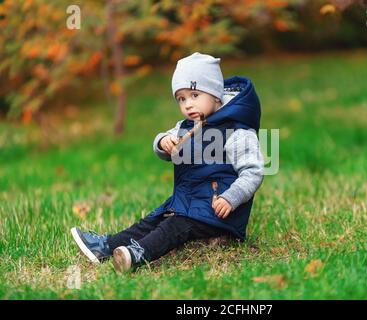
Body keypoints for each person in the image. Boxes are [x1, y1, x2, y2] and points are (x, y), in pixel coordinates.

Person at [71, 52, 264, 272]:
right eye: (181, 98)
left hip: (220, 211)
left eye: (194, 95)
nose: (187, 105)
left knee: (175, 227)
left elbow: (253, 171)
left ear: (215, 94)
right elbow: (163, 141)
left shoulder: (236, 130)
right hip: (189, 201)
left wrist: (231, 198)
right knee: (154, 219)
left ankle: (137, 254)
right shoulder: (187, 125)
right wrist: (164, 142)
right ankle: (106, 246)